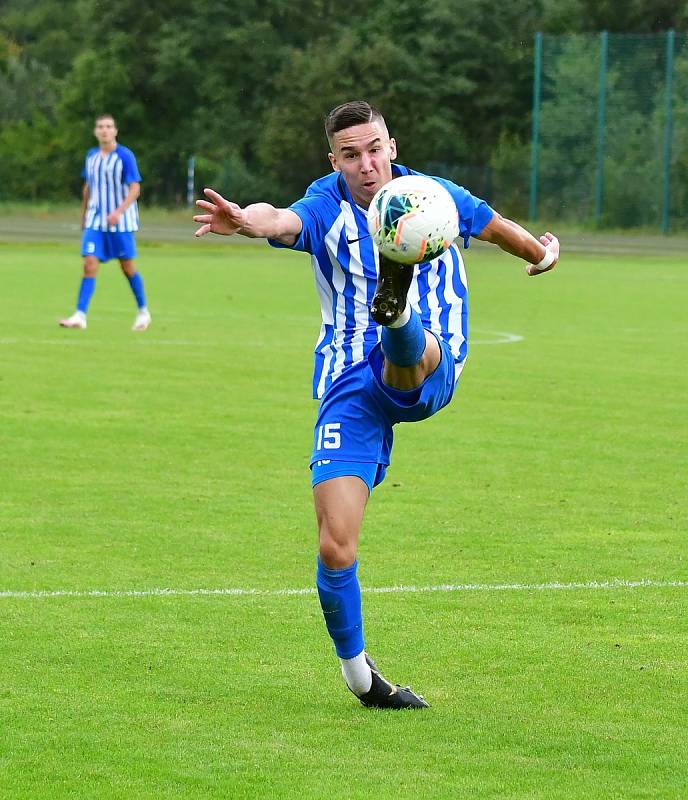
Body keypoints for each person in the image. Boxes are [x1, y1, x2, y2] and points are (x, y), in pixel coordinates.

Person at [193, 100, 559, 709]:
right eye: (351, 155)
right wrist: (247, 222)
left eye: (374, 149)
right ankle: (362, 679)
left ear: (391, 145)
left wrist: (540, 253)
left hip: (432, 359)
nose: (366, 164)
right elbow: (279, 218)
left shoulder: (431, 197)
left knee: (408, 361)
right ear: (333, 159)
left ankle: (399, 314)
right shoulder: (324, 205)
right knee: (336, 544)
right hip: (348, 382)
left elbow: (492, 225)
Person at [59, 113, 151, 331]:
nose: (104, 130)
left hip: (121, 223)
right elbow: (88, 188)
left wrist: (119, 211)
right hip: (95, 222)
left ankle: (143, 311)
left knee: (127, 267)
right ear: (95, 131)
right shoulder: (91, 156)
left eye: (109, 126)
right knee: (89, 264)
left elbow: (135, 188)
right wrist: (83, 216)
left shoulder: (124, 156)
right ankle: (80, 316)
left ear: (115, 131)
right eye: (100, 126)